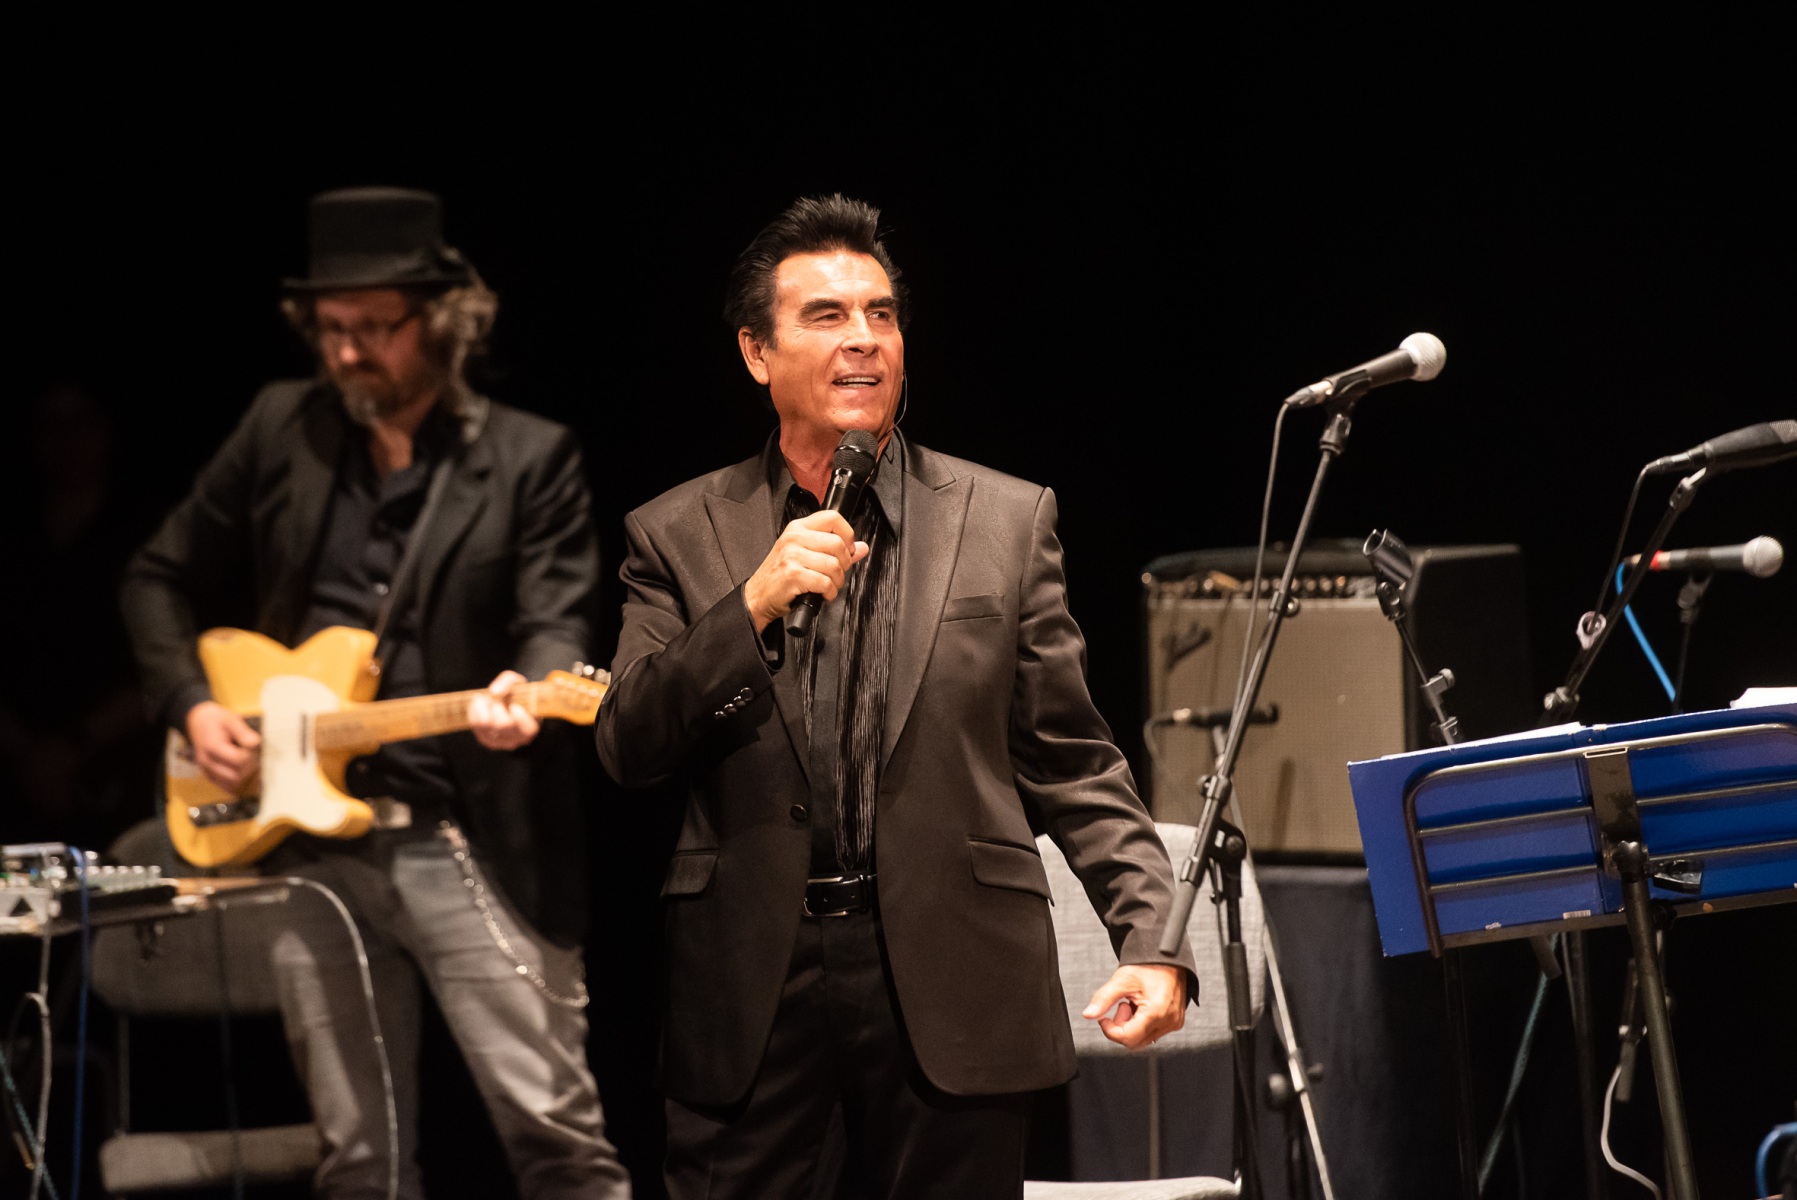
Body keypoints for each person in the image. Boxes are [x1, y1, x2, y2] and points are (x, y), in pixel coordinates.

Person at [595, 194, 1198, 1200]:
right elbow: (629, 742)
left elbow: (1073, 761)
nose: (863, 339)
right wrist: (750, 606)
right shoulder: (676, 532)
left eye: (880, 314)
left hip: (955, 977)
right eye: (826, 316)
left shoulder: (1004, 520)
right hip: (755, 989)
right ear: (756, 352)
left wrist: (1152, 938)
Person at [120, 187, 631, 1199]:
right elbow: (155, 576)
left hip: (464, 837)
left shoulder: (528, 456)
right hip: (309, 849)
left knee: (558, 1147)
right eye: (330, 329)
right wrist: (191, 703)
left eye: (374, 328)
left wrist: (523, 692)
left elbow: (554, 621)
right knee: (358, 1162)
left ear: (441, 322)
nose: (348, 352)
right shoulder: (282, 424)